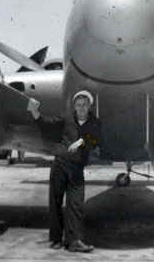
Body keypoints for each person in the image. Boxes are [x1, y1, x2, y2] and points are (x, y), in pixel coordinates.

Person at [27, 90, 101, 253]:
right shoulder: (67, 118)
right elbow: (48, 124)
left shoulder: (94, 122)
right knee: (55, 201)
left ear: (90, 106)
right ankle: (55, 239)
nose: (81, 108)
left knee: (76, 204)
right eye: (79, 105)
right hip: (60, 164)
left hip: (76, 169)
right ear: (74, 106)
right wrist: (35, 112)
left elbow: (96, 139)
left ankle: (74, 241)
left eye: (85, 105)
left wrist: (81, 141)